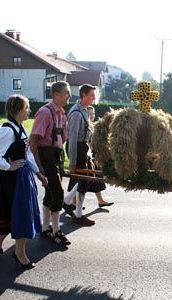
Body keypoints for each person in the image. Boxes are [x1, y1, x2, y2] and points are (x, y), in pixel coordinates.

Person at [0, 95, 47, 269]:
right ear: (18, 110)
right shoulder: (7, 130)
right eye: (27, 108)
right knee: (21, 215)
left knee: (13, 215)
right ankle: (20, 254)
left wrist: (38, 173)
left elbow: (26, 155)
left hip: (22, 178)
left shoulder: (19, 128)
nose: (29, 110)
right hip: (11, 181)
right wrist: (8, 166)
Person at [30, 81, 71, 248]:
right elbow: (33, 141)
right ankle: (56, 232)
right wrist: (39, 166)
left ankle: (45, 228)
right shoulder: (45, 112)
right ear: (55, 94)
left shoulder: (61, 113)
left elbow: (63, 137)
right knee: (58, 193)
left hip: (56, 155)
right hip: (46, 155)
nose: (69, 95)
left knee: (50, 193)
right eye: (66, 93)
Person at [63, 84, 110, 226]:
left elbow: (88, 129)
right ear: (83, 95)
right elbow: (71, 139)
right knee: (83, 179)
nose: (94, 98)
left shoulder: (84, 110)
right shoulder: (76, 113)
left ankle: (69, 204)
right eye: (91, 95)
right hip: (77, 148)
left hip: (83, 148)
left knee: (86, 178)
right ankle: (76, 213)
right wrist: (72, 162)